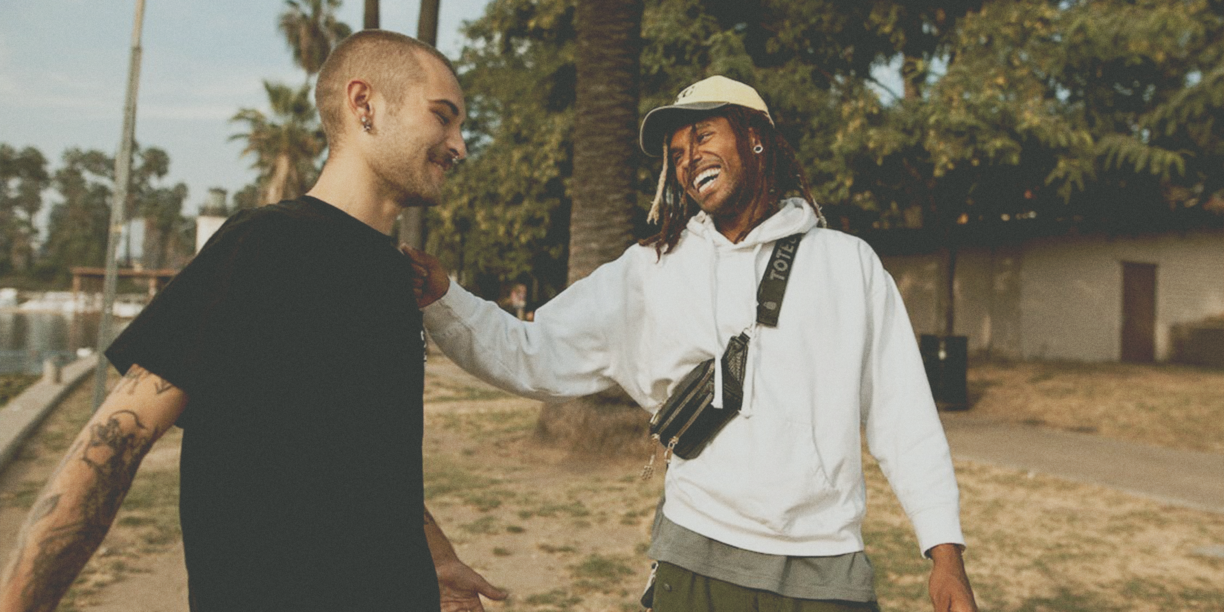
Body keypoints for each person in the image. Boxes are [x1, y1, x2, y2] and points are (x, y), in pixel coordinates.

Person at [408, 76, 979, 611]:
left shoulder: (848, 264)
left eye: (703, 136)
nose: (689, 160)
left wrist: (945, 554)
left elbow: (903, 417)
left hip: (824, 569)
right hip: (695, 558)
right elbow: (533, 353)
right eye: (676, 154)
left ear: (756, 138)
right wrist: (444, 297)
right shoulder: (650, 270)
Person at [0, 31, 507, 612]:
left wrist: (432, 558)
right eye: (442, 118)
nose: (460, 145)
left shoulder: (395, 275)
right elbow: (114, 442)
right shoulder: (265, 245)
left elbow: (360, 453)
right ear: (363, 104)